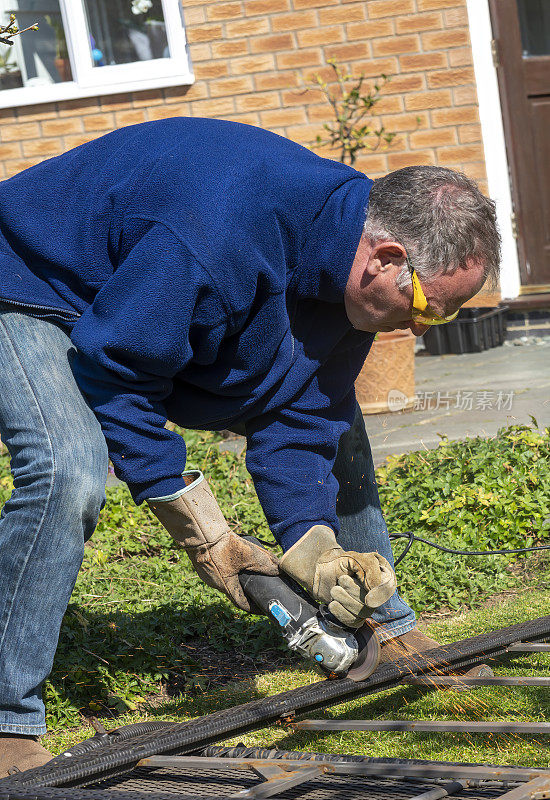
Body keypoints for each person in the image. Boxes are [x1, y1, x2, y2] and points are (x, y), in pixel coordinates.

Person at [0, 117, 500, 776]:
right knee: (68, 470)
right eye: (429, 308)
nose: (424, 325)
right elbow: (117, 374)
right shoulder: (218, 233)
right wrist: (204, 535)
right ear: (384, 257)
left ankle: (387, 626)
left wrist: (314, 550)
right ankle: (8, 719)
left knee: (338, 422)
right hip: (39, 287)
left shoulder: (350, 259)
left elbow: (302, 416)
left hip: (143, 309)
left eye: (446, 315)